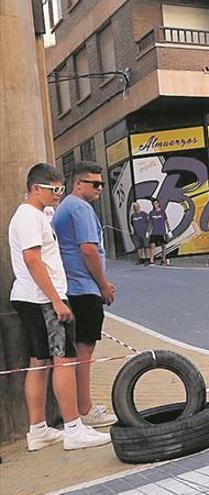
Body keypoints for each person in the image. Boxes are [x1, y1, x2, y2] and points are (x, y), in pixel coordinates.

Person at [9, 163, 112, 451]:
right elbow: (32, 260)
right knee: (64, 360)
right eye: (53, 189)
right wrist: (56, 299)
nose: (58, 194)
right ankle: (73, 428)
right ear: (35, 189)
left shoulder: (37, 214)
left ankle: (38, 429)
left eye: (61, 189)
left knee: (39, 362)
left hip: (32, 297)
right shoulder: (29, 217)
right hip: (42, 299)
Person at [51, 161, 119, 430]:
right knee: (84, 351)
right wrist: (103, 285)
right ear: (78, 183)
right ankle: (85, 408)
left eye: (101, 183)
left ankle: (81, 407)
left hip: (73, 286)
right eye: (95, 183)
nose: (100, 188)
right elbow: (89, 250)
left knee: (79, 351)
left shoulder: (66, 206)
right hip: (82, 288)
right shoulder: (80, 208)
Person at [147, 198, 171, 265]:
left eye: (156, 204)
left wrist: (169, 231)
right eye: (154, 204)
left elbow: (167, 222)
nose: (155, 205)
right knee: (152, 245)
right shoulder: (151, 213)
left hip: (162, 232)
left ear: (158, 204)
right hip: (154, 232)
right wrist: (148, 232)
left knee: (163, 246)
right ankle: (151, 260)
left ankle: (163, 260)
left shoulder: (163, 212)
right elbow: (150, 223)